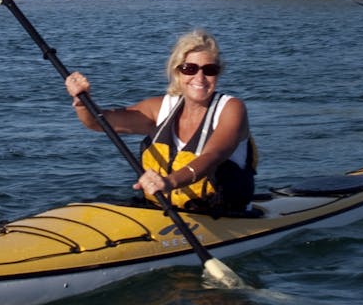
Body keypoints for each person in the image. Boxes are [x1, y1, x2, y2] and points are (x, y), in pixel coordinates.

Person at [64, 29, 256, 214]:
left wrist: (170, 182)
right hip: (162, 212)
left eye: (209, 70)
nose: (200, 77)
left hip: (225, 215)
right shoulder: (160, 108)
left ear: (218, 73)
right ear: (177, 72)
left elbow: (213, 156)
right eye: (189, 68)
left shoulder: (232, 108)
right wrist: (82, 103)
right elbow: (99, 122)